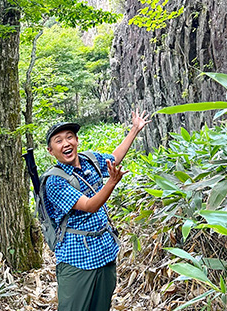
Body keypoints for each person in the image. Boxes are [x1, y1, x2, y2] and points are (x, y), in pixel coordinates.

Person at [44, 109, 151, 311]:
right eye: (58, 141)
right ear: (51, 151)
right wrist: (111, 183)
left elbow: (114, 158)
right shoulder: (54, 181)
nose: (66, 143)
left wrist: (135, 130)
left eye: (69, 137)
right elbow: (90, 206)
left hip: (104, 252)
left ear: (76, 140)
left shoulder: (89, 160)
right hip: (77, 260)